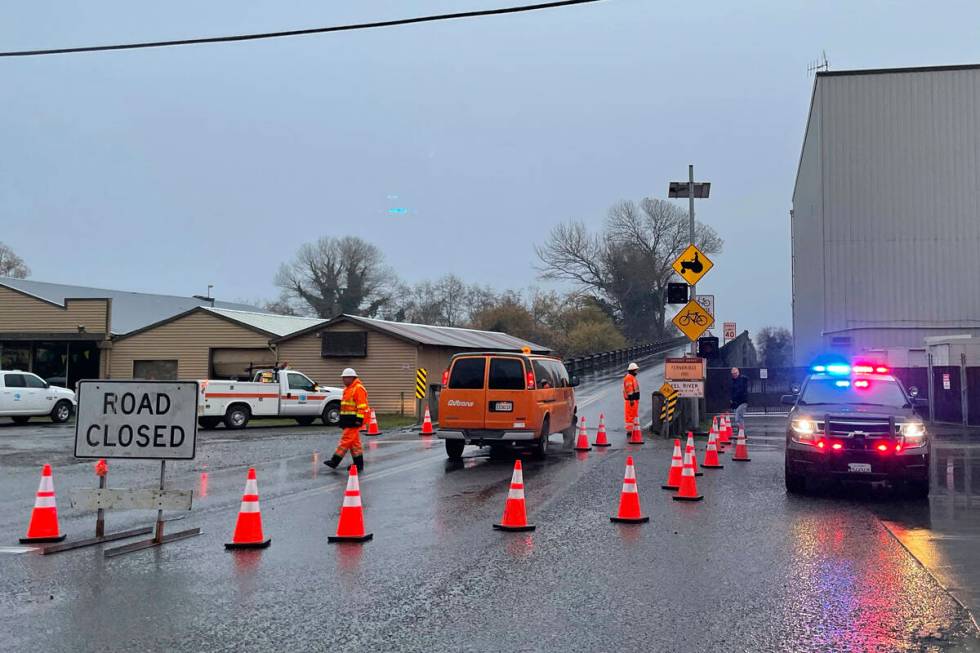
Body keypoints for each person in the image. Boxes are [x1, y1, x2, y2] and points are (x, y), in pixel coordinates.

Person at [325, 368, 368, 472]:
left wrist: (359, 420)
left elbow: (362, 406)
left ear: (352, 378)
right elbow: (345, 407)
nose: (343, 380)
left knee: (345, 441)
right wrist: (342, 421)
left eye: (345, 378)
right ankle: (359, 464)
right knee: (354, 444)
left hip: (354, 420)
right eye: (343, 378)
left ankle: (335, 461)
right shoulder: (347, 390)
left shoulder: (358, 388)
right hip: (348, 420)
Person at [730, 367, 749, 432]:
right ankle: (741, 432)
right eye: (733, 374)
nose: (734, 375)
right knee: (739, 417)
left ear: (738, 372)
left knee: (738, 417)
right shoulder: (733, 381)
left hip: (742, 401)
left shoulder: (741, 380)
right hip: (737, 402)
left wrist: (733, 398)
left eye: (735, 373)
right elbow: (733, 391)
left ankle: (742, 432)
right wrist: (732, 400)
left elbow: (740, 391)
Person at [623, 362, 640, 431]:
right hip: (631, 400)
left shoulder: (632, 377)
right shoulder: (629, 378)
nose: (636, 371)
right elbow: (629, 390)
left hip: (634, 400)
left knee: (633, 415)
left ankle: (633, 429)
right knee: (630, 416)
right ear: (632, 370)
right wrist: (631, 399)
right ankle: (630, 430)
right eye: (635, 370)